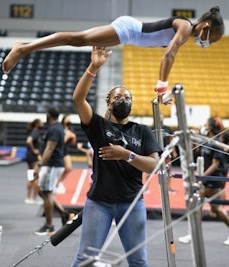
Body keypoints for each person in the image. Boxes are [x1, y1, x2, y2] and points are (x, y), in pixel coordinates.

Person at [2, 6, 224, 104]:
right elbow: (168, 56)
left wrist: (160, 90)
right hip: (128, 30)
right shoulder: (185, 27)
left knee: (78, 40)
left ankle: (24, 47)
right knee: (77, 39)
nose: (208, 43)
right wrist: (162, 89)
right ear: (205, 26)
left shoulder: (184, 32)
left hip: (128, 33)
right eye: (211, 38)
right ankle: (22, 48)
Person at [71, 46, 162, 266]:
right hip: (99, 202)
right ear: (109, 103)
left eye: (127, 97)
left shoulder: (141, 130)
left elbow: (154, 166)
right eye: (118, 97)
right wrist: (94, 67)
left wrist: (126, 155)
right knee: (85, 258)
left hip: (132, 203)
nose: (124, 100)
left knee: (138, 261)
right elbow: (78, 99)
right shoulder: (98, 126)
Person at [179, 117, 229, 246]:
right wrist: (192, 136)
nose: (204, 125)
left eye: (206, 124)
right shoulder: (208, 141)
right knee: (199, 206)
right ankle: (193, 233)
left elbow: (215, 164)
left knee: (215, 208)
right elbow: (196, 150)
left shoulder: (217, 143)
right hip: (207, 178)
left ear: (211, 127)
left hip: (214, 179)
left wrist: (202, 176)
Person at [34, 107, 74, 236]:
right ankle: (64, 214)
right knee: (43, 192)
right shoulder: (56, 128)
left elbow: (50, 149)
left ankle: (49, 226)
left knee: (47, 192)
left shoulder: (54, 129)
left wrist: (40, 164)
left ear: (48, 115)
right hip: (53, 165)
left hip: (52, 165)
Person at [148, 114, 177, 193]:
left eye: (161, 117)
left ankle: (168, 187)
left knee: (168, 169)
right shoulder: (151, 129)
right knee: (149, 170)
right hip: (154, 152)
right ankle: (146, 188)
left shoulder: (167, 128)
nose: (160, 119)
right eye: (158, 117)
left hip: (165, 152)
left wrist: (174, 151)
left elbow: (171, 140)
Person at [56, 114, 77, 193]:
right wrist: (67, 136)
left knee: (68, 168)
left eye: (69, 119)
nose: (68, 121)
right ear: (63, 120)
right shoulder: (60, 129)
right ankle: (56, 184)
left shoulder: (70, 129)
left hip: (65, 150)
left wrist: (73, 137)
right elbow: (60, 142)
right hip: (59, 150)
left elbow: (73, 143)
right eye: (67, 119)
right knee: (59, 169)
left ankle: (59, 182)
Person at [25, 118, 43, 204]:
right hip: (33, 157)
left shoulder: (34, 131)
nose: (42, 124)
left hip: (29, 157)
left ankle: (28, 198)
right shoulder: (35, 132)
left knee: (31, 177)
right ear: (37, 124)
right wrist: (34, 150)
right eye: (41, 123)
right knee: (36, 177)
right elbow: (29, 141)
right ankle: (35, 198)